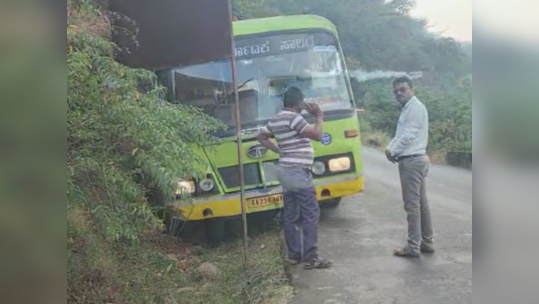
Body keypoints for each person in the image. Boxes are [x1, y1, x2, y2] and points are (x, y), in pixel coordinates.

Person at [256, 86, 332, 269]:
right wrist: (319, 115)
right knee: (310, 212)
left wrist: (279, 150)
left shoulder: (276, 119)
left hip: (285, 171)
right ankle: (311, 257)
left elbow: (261, 137)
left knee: (290, 215)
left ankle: (294, 255)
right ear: (299, 102)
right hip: (298, 172)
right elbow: (317, 135)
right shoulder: (294, 118)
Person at [385, 76, 434, 258]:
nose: (399, 93)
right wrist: (390, 148)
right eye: (396, 91)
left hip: (412, 161)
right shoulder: (409, 108)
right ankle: (426, 242)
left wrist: (392, 151)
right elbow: (401, 134)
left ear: (411, 90)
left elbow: (408, 135)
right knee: (421, 204)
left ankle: (413, 246)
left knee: (412, 206)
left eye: (402, 89)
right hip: (415, 159)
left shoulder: (415, 108)